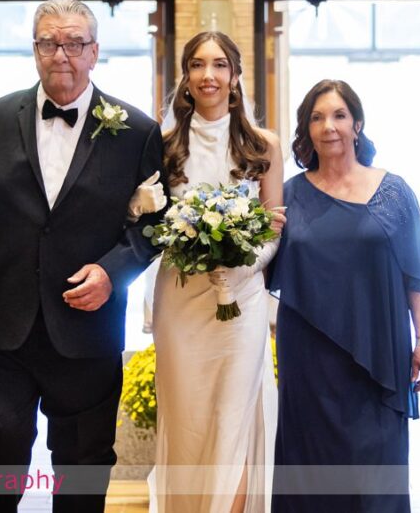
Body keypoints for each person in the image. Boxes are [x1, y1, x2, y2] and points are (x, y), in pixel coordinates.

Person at [0, 0, 165, 512]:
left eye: (74, 43)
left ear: (94, 52)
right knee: (0, 449)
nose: (62, 55)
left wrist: (112, 272)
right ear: (34, 50)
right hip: (0, 321)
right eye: (49, 42)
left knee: (82, 461)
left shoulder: (136, 132)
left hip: (86, 324)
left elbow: (152, 226)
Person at [269, 79, 420, 513]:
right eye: (317, 117)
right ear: (307, 129)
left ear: (357, 124)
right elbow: (261, 266)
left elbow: (417, 275)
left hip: (378, 351)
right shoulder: (287, 195)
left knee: (375, 465)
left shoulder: (394, 192)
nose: (329, 127)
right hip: (307, 356)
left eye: (339, 115)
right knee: (310, 466)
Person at [150, 32, 284, 513]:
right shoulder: (163, 147)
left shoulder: (262, 145)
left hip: (242, 299)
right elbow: (150, 224)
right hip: (182, 301)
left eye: (220, 65)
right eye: (198, 65)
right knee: (187, 416)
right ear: (185, 78)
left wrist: (240, 264)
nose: (209, 75)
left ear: (235, 76)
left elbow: (273, 227)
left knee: (236, 411)